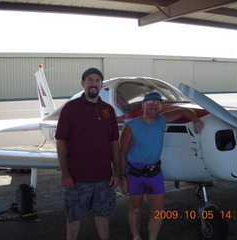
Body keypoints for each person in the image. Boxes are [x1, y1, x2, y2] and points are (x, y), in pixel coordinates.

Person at [119, 92, 203, 240]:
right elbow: (122, 153)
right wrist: (122, 176)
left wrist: (195, 120)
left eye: (157, 104)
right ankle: (136, 237)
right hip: (134, 175)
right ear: (143, 105)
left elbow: (185, 111)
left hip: (154, 174)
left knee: (158, 211)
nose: (153, 106)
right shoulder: (130, 126)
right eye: (150, 103)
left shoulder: (161, 120)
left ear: (160, 107)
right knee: (136, 209)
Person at [55, 67, 121, 240]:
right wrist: (65, 173)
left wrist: (117, 172)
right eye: (90, 80)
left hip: (103, 179)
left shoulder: (108, 110)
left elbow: (114, 142)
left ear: (101, 85)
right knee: (73, 218)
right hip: (77, 179)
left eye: (97, 80)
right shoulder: (71, 108)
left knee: (103, 216)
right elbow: (60, 142)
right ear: (83, 83)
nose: (94, 83)